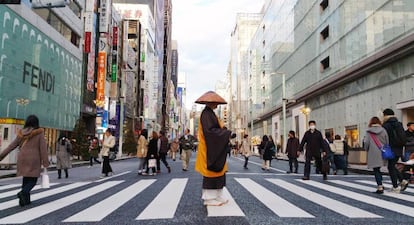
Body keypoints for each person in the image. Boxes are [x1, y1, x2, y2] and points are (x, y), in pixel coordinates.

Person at [0, 115, 49, 206]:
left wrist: (1, 156)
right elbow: (43, 149)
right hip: (34, 159)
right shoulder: (39, 133)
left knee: (26, 177)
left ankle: (25, 200)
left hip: (22, 157)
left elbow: (11, 146)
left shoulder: (21, 133)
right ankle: (23, 193)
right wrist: (46, 162)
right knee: (33, 180)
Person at [194, 91, 232, 206]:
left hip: (213, 147)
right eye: (216, 103)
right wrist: (226, 133)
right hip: (209, 149)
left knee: (219, 172)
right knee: (211, 172)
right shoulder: (206, 114)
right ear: (211, 102)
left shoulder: (210, 113)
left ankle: (218, 195)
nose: (217, 105)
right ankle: (209, 198)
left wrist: (225, 132)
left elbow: (215, 130)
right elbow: (210, 132)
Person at [382, 108, 408, 192]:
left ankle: (396, 187)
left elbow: (384, 138)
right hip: (399, 149)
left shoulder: (385, 125)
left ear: (385, 115)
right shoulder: (399, 124)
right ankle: (401, 181)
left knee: (391, 167)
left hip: (390, 148)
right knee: (392, 166)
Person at [363, 116, 389, 194]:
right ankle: (381, 183)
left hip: (373, 152)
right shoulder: (383, 130)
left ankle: (380, 186)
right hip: (382, 151)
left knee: (376, 170)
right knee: (379, 169)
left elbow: (366, 142)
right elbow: (387, 141)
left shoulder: (368, 131)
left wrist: (366, 149)